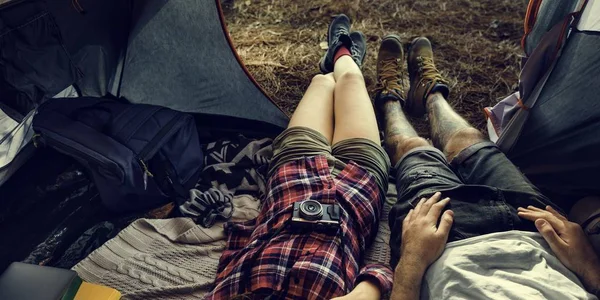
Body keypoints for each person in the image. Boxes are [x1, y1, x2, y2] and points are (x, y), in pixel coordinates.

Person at [372, 34, 600, 299]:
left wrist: (411, 259)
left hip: (443, 243)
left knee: (413, 149)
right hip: (537, 230)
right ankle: (431, 94)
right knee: (469, 142)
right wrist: (591, 270)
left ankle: (389, 100)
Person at [204, 14, 392, 299]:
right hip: (358, 186)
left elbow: (236, 244)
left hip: (294, 174)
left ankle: (336, 56)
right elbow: (382, 274)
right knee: (352, 80)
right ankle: (346, 57)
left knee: (323, 82)